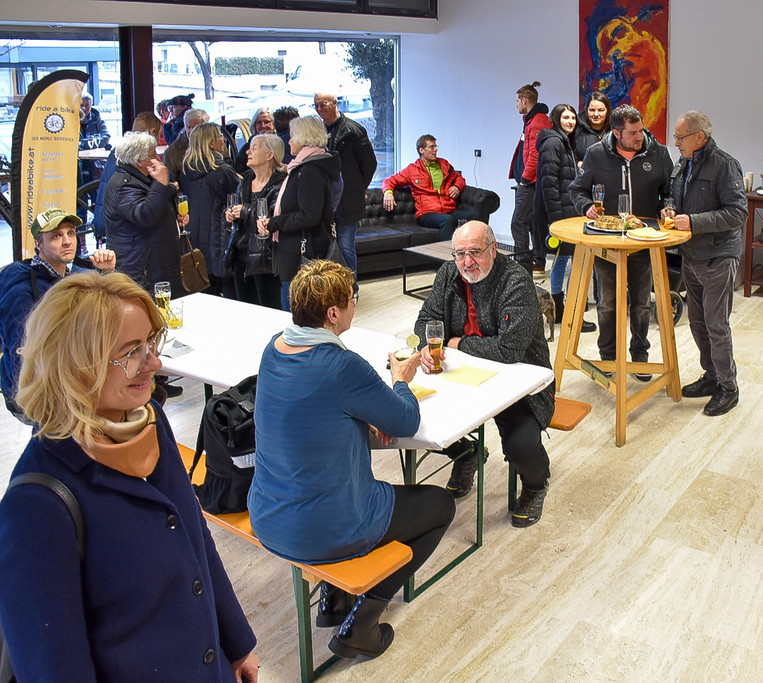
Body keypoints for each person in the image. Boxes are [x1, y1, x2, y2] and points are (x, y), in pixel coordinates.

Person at [0, 271, 259, 681]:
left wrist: (237, 640)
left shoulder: (148, 421)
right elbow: (52, 666)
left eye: (150, 344)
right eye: (131, 352)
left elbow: (196, 539)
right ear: (76, 365)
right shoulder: (37, 504)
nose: (154, 363)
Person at [248, 259, 454, 659]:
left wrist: (363, 412)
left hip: (267, 514)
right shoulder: (342, 366)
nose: (354, 305)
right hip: (324, 529)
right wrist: (400, 381)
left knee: (331, 483)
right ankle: (361, 626)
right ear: (333, 313)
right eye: (351, 299)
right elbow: (406, 421)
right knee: (440, 506)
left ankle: (333, 599)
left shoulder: (274, 348)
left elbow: (316, 407)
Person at [414, 221, 555, 527]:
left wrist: (457, 343)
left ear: (493, 249)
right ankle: (467, 453)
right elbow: (426, 320)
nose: (467, 262)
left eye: (475, 252)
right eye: (460, 253)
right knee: (416, 418)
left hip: (518, 382)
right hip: (461, 374)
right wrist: (427, 345)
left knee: (519, 445)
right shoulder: (448, 274)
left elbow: (509, 350)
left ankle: (536, 483)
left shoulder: (516, 280)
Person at [568, 104, 673, 381]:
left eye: (641, 130)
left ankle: (640, 357)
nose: (640, 137)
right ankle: (608, 357)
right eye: (633, 133)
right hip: (607, 240)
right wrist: (586, 206)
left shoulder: (659, 153)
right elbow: (577, 189)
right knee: (607, 304)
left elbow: (670, 191)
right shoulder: (596, 154)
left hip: (643, 240)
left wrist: (668, 207)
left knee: (641, 304)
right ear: (616, 133)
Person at [662, 111, 748, 415]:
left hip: (718, 257)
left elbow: (738, 213)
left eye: (680, 137)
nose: (676, 143)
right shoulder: (683, 164)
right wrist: (670, 211)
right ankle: (711, 376)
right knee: (698, 323)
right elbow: (677, 201)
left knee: (716, 324)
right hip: (692, 255)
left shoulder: (724, 165)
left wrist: (694, 222)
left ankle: (728, 386)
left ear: (700, 136)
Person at [0, 208, 116, 421]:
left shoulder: (67, 278)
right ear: (39, 244)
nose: (67, 241)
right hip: (34, 393)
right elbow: (21, 355)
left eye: (70, 233)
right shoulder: (22, 290)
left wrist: (106, 274)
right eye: (56, 236)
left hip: (64, 378)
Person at [262, 115, 341, 310]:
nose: (288, 141)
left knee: (295, 312)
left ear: (303, 138)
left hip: (301, 253)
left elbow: (309, 215)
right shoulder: (307, 167)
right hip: (300, 249)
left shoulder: (309, 170)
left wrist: (275, 222)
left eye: (292, 136)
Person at [104, 130, 188, 297]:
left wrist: (174, 215)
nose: (157, 157)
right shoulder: (124, 185)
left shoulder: (141, 178)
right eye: (152, 154)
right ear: (139, 161)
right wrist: (162, 184)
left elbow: (155, 204)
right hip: (141, 268)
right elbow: (145, 215)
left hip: (156, 261)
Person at [534, 103, 595, 333]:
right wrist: (556, 220)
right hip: (562, 215)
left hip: (567, 212)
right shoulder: (553, 142)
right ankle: (570, 312)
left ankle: (559, 310)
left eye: (573, 118)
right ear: (556, 119)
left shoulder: (563, 141)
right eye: (566, 117)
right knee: (573, 261)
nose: (570, 121)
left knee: (562, 259)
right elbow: (549, 184)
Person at [314, 92, 377, 275]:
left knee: (345, 246)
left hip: (348, 201)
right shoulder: (317, 131)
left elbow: (369, 164)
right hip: (326, 200)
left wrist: (358, 188)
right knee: (328, 247)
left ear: (335, 103)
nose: (320, 109)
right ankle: (333, 285)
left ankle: (350, 286)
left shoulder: (353, 130)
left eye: (324, 104)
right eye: (316, 105)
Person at [179, 121, 241, 298]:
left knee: (203, 288)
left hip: (195, 235)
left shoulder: (186, 170)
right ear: (212, 143)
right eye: (220, 136)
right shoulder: (222, 171)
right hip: (219, 235)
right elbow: (239, 196)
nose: (223, 139)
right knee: (228, 293)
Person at [226, 133, 285, 309]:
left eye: (254, 147)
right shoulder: (245, 181)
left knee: (269, 309)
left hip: (265, 257)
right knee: (245, 309)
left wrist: (245, 211)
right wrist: (230, 214)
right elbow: (237, 208)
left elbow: (274, 217)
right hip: (241, 255)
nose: (248, 151)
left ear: (269, 155)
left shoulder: (280, 184)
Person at [382, 134, 474, 241]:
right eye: (431, 147)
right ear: (421, 150)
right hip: (426, 213)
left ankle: (474, 248)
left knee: (474, 215)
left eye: (436, 146)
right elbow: (389, 180)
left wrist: (457, 187)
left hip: (448, 210)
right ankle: (446, 251)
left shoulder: (444, 164)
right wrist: (388, 193)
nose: (436, 149)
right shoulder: (412, 170)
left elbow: (459, 178)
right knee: (447, 220)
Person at [94, 111, 162, 244]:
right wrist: (163, 184)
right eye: (159, 135)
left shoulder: (118, 152)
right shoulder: (129, 170)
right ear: (153, 132)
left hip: (104, 219)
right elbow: (143, 213)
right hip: (123, 233)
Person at [508, 80, 552, 274]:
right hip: (530, 181)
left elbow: (535, 154)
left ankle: (523, 267)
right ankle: (537, 263)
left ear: (525, 100)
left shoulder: (537, 122)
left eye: (518, 100)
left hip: (530, 183)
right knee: (534, 223)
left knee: (518, 222)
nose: (517, 104)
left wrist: (525, 179)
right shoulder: (532, 120)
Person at [164, 108, 210, 180]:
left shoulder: (215, 143)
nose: (191, 131)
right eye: (189, 127)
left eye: (196, 128)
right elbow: (169, 181)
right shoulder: (172, 152)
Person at [233, 107, 275, 174]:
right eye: (259, 123)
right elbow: (238, 172)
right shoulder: (246, 149)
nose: (263, 126)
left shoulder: (281, 145)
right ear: (254, 126)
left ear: (274, 124)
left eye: (267, 122)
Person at [575, 91, 612, 162]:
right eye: (592, 110)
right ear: (586, 110)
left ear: (607, 111)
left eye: (601, 110)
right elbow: (566, 156)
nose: (596, 114)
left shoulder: (615, 129)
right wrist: (577, 164)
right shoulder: (576, 128)